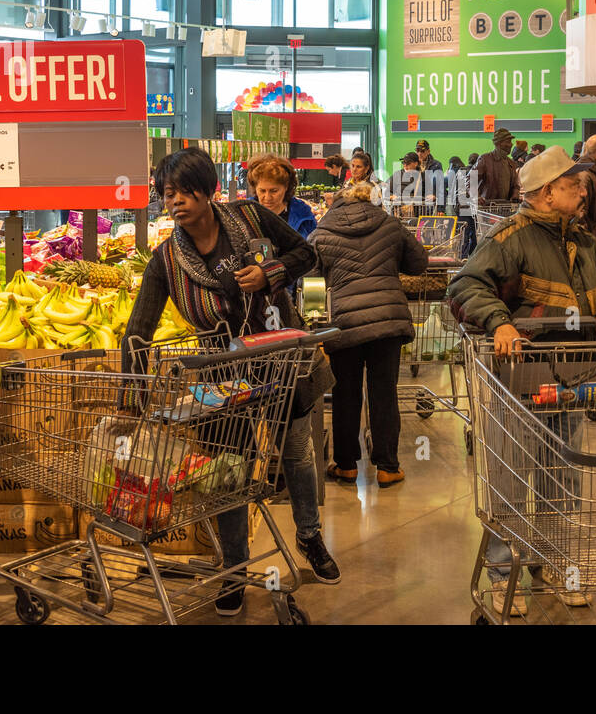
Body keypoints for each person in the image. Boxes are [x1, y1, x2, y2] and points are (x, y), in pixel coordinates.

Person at [121, 149, 340, 611]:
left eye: (184, 190)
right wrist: (133, 391)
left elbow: (307, 253)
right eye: (166, 193)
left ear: (209, 190)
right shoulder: (167, 261)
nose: (174, 201)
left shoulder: (251, 217)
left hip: (280, 357)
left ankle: (309, 534)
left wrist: (269, 273)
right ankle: (234, 570)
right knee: (230, 473)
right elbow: (138, 330)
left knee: (296, 451)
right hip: (222, 375)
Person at [447, 146, 596, 616]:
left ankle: (554, 561)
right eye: (574, 186)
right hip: (518, 378)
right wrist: (500, 323)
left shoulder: (584, 240)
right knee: (509, 478)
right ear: (547, 193)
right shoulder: (508, 237)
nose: (583, 192)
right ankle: (501, 574)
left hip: (572, 377)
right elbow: (466, 285)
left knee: (561, 475)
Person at [310, 181, 429, 488]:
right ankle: (388, 467)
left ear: (337, 203)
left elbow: (309, 283)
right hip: (386, 322)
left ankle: (347, 465)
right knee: (383, 392)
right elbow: (419, 264)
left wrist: (316, 324)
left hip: (343, 324)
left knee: (345, 393)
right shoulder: (390, 224)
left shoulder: (321, 232)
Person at [248, 153, 316, 238]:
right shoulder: (245, 212)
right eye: (262, 191)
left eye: (274, 191)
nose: (267, 197)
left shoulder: (303, 214)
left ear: (286, 187)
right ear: (255, 188)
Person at [473, 128, 520, 207]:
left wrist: (515, 195)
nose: (511, 144)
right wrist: (476, 197)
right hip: (487, 207)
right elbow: (471, 179)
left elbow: (515, 185)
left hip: (505, 207)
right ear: (498, 143)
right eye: (508, 142)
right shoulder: (485, 159)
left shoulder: (511, 163)